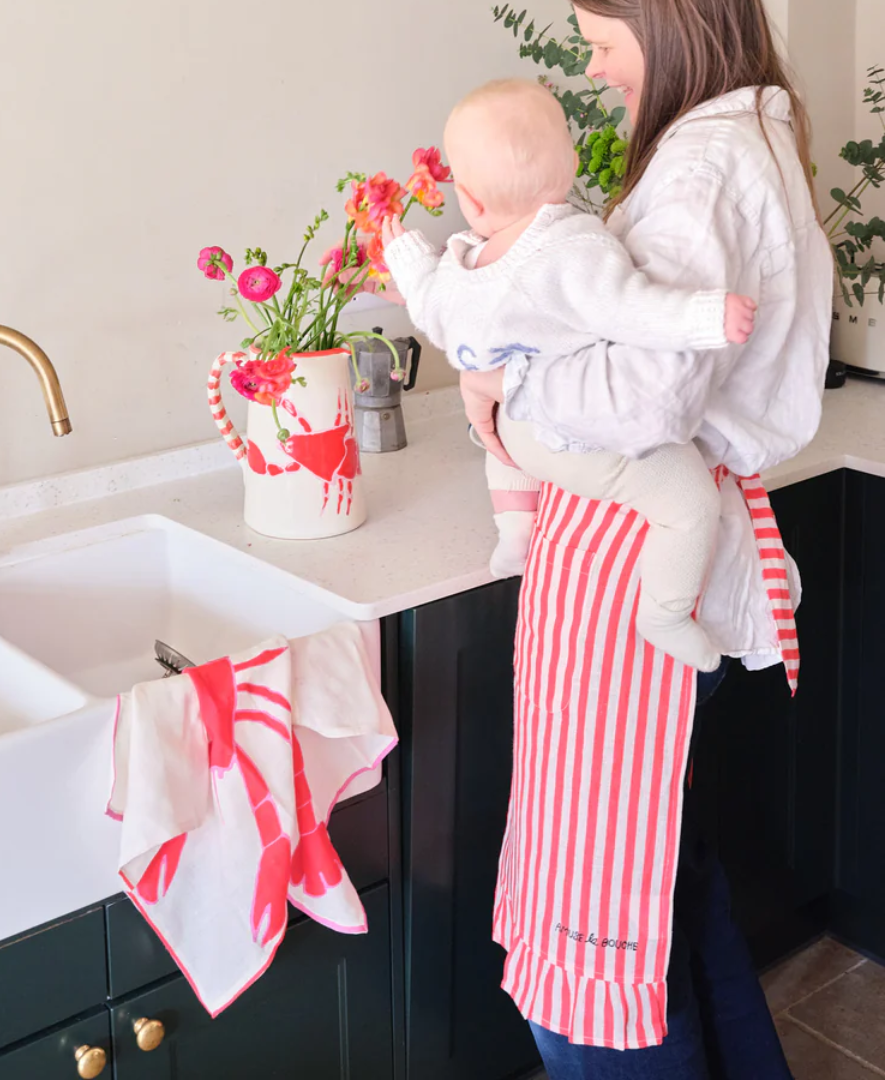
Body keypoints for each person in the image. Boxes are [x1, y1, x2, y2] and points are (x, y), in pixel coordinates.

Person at [452, 1, 833, 1076]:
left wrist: (505, 388)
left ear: (667, 19)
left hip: (629, 577)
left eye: (601, 33)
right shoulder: (743, 136)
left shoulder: (704, 164)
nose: (594, 62)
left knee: (594, 945)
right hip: (651, 558)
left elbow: (642, 398)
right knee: (664, 886)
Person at [382, 77, 759, 672]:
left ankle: (514, 534)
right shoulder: (570, 249)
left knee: (494, 430)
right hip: (571, 437)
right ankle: (664, 611)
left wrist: (405, 258)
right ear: (572, 162)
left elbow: (428, 307)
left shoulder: (460, 264)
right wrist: (708, 314)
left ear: (472, 201)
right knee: (688, 501)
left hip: (509, 435)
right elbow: (633, 308)